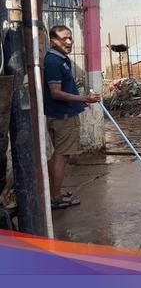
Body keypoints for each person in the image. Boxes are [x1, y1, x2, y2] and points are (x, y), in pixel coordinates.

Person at [44, 25, 100, 209]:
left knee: (58, 155)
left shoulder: (62, 59)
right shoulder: (53, 61)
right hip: (62, 117)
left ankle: (54, 191)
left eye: (70, 38)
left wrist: (79, 101)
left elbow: (66, 90)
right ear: (53, 41)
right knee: (62, 155)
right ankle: (56, 198)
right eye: (63, 39)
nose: (68, 42)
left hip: (65, 113)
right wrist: (84, 98)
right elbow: (56, 93)